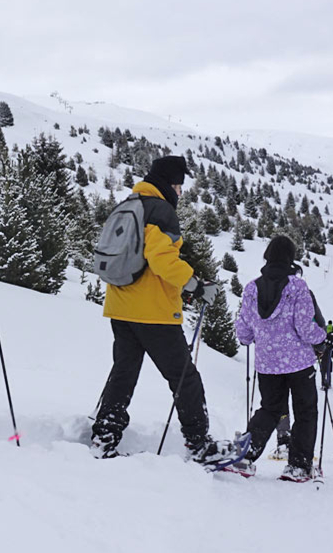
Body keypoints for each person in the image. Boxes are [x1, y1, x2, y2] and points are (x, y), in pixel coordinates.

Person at [90, 156, 232, 464]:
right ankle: (199, 444)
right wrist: (193, 284)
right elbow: (161, 259)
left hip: (119, 307)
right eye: (179, 186)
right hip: (152, 311)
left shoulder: (128, 204)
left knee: (123, 374)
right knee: (184, 379)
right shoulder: (161, 210)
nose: (180, 193)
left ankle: (104, 437)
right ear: (170, 183)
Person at [234, 235, 327, 482]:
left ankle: (244, 457)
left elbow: (244, 330)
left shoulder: (251, 288)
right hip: (299, 362)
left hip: (267, 364)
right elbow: (306, 328)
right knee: (305, 411)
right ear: (290, 257)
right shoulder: (297, 287)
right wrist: (323, 339)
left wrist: (250, 339)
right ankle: (298, 466)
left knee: (270, 409)